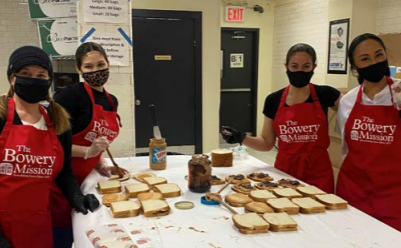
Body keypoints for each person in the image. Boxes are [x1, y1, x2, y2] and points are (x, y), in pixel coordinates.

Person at [0, 46, 99, 248]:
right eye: (25, 74)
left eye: (41, 75)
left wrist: (76, 197)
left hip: (42, 222)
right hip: (5, 226)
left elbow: (64, 173)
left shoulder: (57, 120)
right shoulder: (1, 117)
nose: (33, 79)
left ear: (48, 80)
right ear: (12, 78)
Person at [221, 43, 341, 193]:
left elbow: (354, 109)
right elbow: (266, 143)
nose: (300, 71)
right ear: (286, 66)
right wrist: (241, 137)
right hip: (286, 171)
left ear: (314, 67)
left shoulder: (326, 94)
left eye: (306, 66)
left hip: (319, 171)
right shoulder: (274, 100)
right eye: (294, 66)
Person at [50, 42, 127, 247]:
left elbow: (98, 143)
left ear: (108, 64)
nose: (96, 71)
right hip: (62, 181)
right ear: (79, 69)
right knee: (63, 235)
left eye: (100, 64)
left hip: (87, 179)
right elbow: (52, 144)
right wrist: (87, 151)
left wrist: (100, 163)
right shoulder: (68, 97)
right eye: (88, 67)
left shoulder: (112, 101)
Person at [336, 33, 401, 231]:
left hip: (394, 196)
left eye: (379, 55)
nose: (374, 62)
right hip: (353, 191)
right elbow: (346, 147)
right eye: (365, 59)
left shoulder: (399, 94)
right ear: (355, 67)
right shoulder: (347, 101)